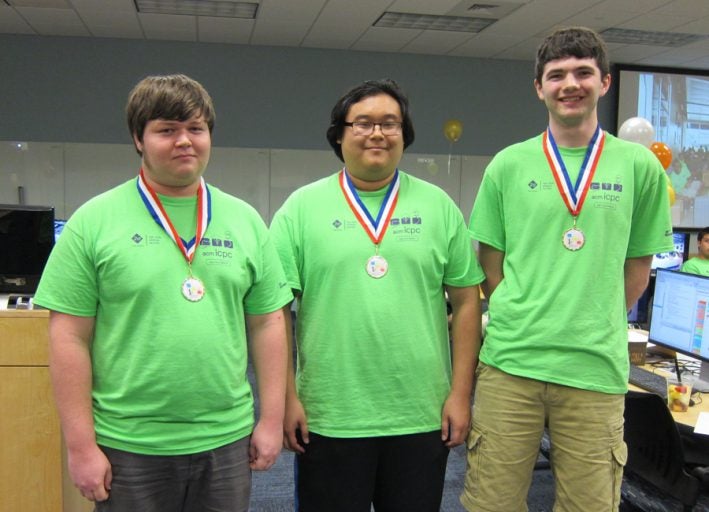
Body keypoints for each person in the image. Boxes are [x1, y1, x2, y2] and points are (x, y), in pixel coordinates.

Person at [33, 74, 292, 512]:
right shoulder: (94, 221)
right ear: (138, 138)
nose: (184, 141)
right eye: (166, 130)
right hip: (130, 442)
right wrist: (80, 447)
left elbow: (267, 322)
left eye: (196, 128)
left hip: (226, 439)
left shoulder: (245, 220)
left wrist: (271, 419)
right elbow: (68, 337)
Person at [461, 27, 673, 512]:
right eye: (556, 75)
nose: (569, 84)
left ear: (605, 82)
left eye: (582, 72)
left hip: (593, 367)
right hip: (511, 364)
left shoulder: (639, 167)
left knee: (590, 506)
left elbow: (638, 268)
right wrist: (526, 310)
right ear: (540, 87)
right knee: (491, 503)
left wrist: (591, 313)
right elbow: (489, 265)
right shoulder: (507, 165)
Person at [270, 78, 484, 512]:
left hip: (420, 413)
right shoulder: (300, 208)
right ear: (339, 134)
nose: (378, 133)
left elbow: (466, 302)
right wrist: (286, 398)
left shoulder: (438, 206)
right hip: (330, 417)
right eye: (363, 123)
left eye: (391, 123)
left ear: (404, 134)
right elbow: (275, 314)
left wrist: (461, 394)